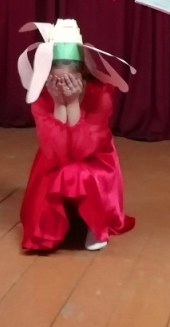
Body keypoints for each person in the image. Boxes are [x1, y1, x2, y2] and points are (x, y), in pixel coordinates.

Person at [17, 19, 136, 251]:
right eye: (56, 81)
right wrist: (58, 105)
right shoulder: (41, 99)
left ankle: (95, 225)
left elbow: (82, 150)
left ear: (82, 76)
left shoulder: (101, 96)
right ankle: (50, 230)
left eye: (69, 81)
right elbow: (57, 153)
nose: (63, 87)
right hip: (55, 161)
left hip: (96, 163)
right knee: (62, 170)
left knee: (75, 172)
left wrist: (72, 103)